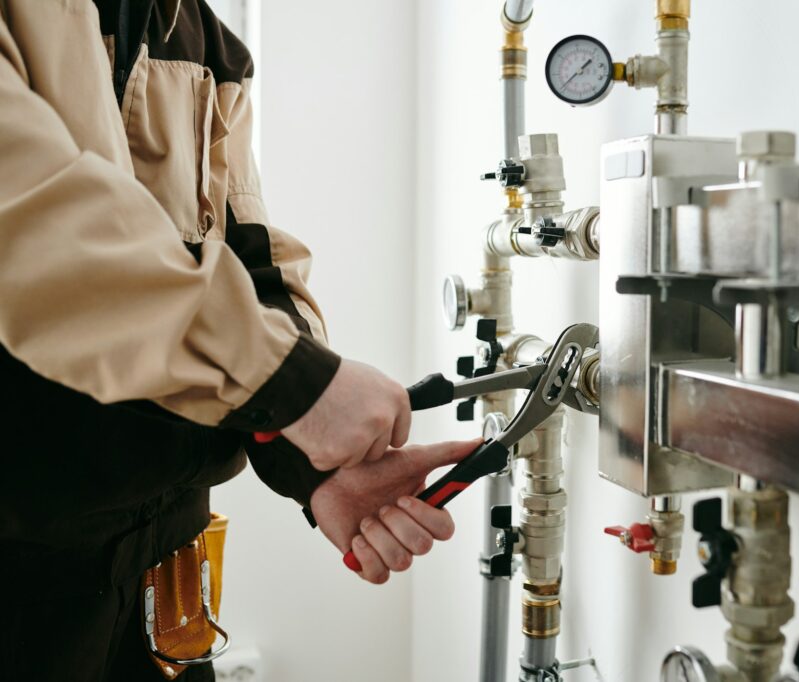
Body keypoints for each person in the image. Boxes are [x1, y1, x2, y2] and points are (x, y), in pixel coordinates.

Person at [0, 1, 472, 679]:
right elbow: (38, 227)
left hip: (165, 569)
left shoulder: (201, 37)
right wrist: (295, 387)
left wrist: (312, 462)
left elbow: (253, 260)